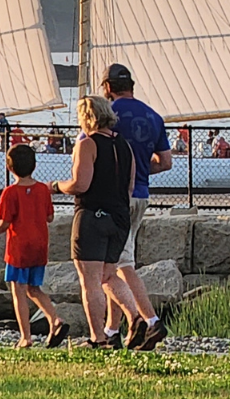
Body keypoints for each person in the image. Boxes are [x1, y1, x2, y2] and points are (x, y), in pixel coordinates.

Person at [51, 95, 140, 347]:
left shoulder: (88, 144)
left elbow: (81, 184)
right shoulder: (125, 145)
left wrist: (55, 186)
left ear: (87, 117)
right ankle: (136, 316)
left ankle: (98, 338)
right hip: (120, 217)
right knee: (108, 274)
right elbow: (130, 185)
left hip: (92, 215)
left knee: (90, 280)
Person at [101, 63, 171, 351]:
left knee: (116, 265)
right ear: (131, 85)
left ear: (107, 88)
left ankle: (150, 321)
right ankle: (112, 331)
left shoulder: (108, 115)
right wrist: (140, 169)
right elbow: (165, 162)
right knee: (116, 262)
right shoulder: (154, 116)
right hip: (141, 194)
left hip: (115, 197)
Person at [0, 144, 68, 348]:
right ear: (35, 165)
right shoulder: (42, 190)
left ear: (10, 168)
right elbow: (50, 217)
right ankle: (54, 319)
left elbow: (4, 223)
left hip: (19, 249)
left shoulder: (9, 193)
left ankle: (25, 337)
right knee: (34, 288)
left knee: (18, 290)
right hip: (40, 247)